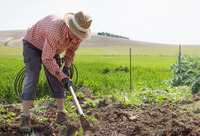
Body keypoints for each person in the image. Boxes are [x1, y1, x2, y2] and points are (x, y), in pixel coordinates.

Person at [19, 11, 92, 133]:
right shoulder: (55, 31)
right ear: (70, 27)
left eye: (81, 34)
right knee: (33, 76)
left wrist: (66, 68)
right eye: (76, 33)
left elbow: (71, 52)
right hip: (33, 44)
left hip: (52, 47)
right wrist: (62, 77)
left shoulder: (78, 36)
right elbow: (47, 59)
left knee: (58, 78)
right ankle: (25, 117)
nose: (78, 37)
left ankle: (61, 113)